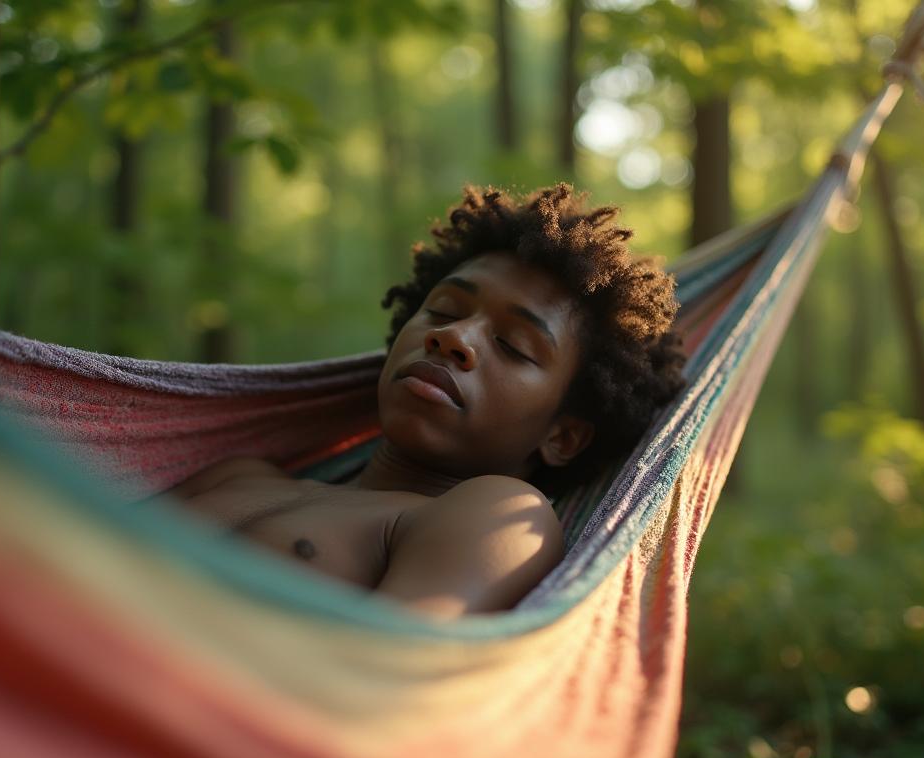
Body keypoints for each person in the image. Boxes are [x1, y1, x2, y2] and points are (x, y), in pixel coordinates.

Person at [168, 183, 685, 618]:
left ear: (562, 436)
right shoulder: (238, 475)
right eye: (442, 311)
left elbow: (385, 679)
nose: (454, 337)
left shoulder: (494, 514)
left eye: (512, 345)